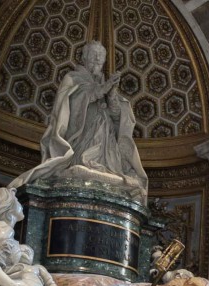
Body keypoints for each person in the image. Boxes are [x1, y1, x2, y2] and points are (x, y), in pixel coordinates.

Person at [9, 41, 148, 203]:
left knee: (114, 173)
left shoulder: (106, 83)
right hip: (81, 137)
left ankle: (107, 173)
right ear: (83, 57)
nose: (97, 59)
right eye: (93, 54)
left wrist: (111, 95)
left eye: (101, 56)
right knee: (80, 167)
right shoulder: (73, 79)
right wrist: (101, 90)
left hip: (106, 142)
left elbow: (118, 118)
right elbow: (70, 105)